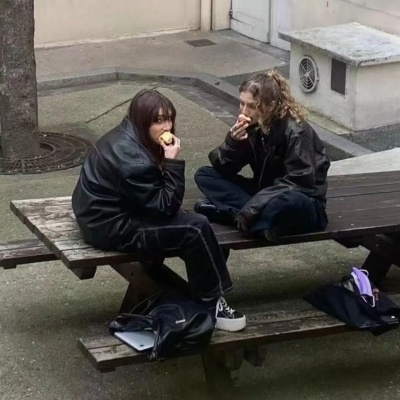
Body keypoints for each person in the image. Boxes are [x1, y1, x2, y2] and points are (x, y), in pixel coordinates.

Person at [72, 89, 246, 332]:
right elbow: (166, 206)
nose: (167, 127)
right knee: (196, 228)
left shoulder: (126, 134)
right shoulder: (135, 160)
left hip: (100, 214)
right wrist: (172, 161)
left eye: (169, 118)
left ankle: (203, 287)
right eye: (158, 120)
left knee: (199, 226)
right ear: (141, 120)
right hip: (111, 228)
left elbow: (153, 198)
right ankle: (212, 302)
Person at [194, 70, 330, 241]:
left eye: (252, 106)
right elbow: (224, 168)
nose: (244, 111)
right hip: (263, 194)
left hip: (302, 201)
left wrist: (254, 205)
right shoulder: (253, 128)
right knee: (204, 174)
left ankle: (242, 217)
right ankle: (255, 221)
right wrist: (233, 142)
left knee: (291, 201)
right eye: (242, 103)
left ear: (271, 106)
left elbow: (300, 182)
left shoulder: (296, 131)